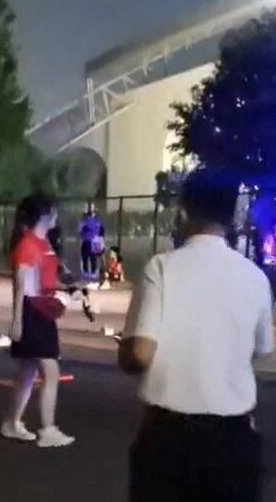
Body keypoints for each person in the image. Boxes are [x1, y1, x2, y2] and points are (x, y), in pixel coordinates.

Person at [120, 169, 273, 501]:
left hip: (168, 436)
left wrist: (126, 351)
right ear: (233, 214)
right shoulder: (255, 277)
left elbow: (141, 353)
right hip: (234, 438)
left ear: (184, 211)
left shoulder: (160, 267)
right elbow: (261, 348)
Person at [0, 194, 75, 448]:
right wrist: (17, 320)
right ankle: (48, 429)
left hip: (42, 309)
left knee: (27, 372)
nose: (56, 215)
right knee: (50, 372)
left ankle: (12, 423)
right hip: (33, 312)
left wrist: (69, 287)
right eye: (53, 211)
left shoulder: (44, 243)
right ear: (43, 214)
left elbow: (48, 274)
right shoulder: (28, 245)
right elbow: (21, 284)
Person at [79, 208, 101, 280]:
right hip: (95, 242)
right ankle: (93, 272)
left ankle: (86, 272)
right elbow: (98, 231)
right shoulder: (97, 221)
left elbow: (80, 231)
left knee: (85, 257)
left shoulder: (84, 221)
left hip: (87, 241)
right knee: (93, 258)